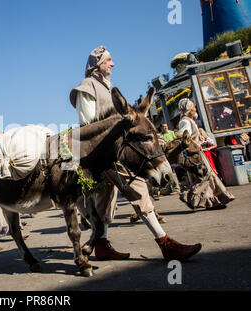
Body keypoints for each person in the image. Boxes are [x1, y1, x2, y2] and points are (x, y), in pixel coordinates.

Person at [69, 45, 201, 261]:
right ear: (98, 64)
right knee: (138, 189)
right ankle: (165, 243)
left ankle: (101, 245)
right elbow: (88, 126)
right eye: (109, 60)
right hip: (109, 152)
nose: (113, 64)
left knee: (105, 200)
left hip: (116, 150)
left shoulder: (105, 86)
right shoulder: (86, 88)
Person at [178, 98, 235, 209]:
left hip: (197, 153)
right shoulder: (185, 121)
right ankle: (189, 196)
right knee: (205, 176)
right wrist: (197, 144)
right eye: (193, 107)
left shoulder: (188, 120)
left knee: (207, 176)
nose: (195, 109)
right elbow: (184, 135)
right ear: (190, 109)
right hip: (194, 154)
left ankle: (214, 200)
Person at [159, 123, 181, 195]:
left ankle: (176, 188)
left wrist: (170, 143)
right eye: (164, 127)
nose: (165, 128)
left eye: (166, 126)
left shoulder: (171, 133)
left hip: (172, 154)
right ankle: (169, 188)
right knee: (166, 172)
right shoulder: (160, 135)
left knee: (172, 171)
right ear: (161, 128)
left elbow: (176, 141)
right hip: (165, 155)